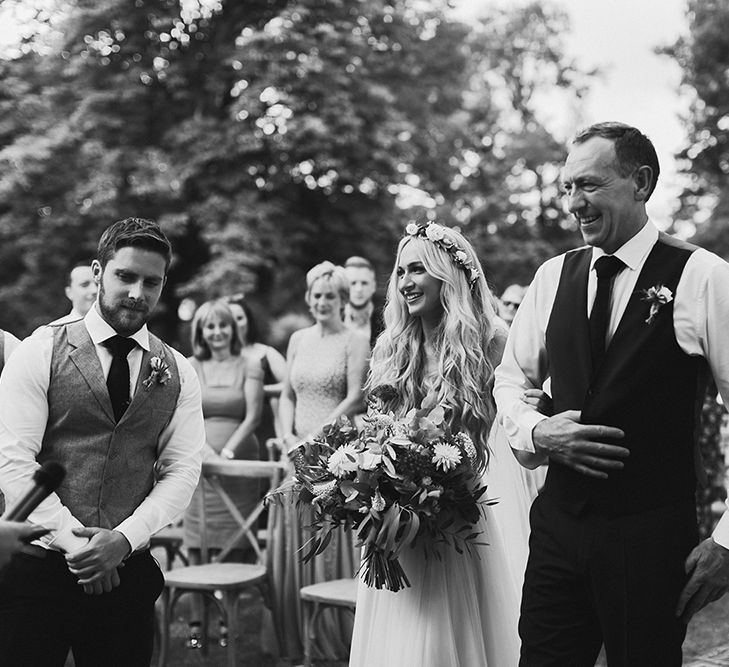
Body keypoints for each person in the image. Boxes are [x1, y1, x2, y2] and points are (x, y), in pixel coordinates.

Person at [494, 121, 729, 666]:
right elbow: (510, 380)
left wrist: (726, 542)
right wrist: (535, 429)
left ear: (641, 182)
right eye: (568, 187)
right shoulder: (552, 277)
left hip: (649, 537)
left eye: (590, 185)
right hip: (558, 529)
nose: (574, 202)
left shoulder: (702, 277)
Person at [0, 217, 205, 667]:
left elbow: (182, 470)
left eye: (151, 282)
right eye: (125, 276)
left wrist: (122, 541)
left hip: (125, 574)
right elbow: (14, 462)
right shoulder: (40, 350)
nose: (137, 292)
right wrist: (79, 547)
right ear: (97, 272)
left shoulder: (178, 370)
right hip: (37, 570)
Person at [349, 221, 533, 666]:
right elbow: (380, 433)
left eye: (417, 271)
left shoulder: (490, 343)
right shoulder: (391, 347)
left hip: (458, 514)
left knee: (443, 641)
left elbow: (516, 412)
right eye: (400, 272)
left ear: (446, 277)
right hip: (398, 520)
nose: (405, 282)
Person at [267, 261, 369, 661]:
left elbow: (355, 396)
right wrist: (288, 438)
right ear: (308, 298)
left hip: (335, 454)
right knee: (292, 539)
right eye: (317, 295)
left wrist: (314, 438)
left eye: (331, 295)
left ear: (343, 300)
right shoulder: (297, 339)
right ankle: (296, 636)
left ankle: (334, 637)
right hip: (293, 453)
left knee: (329, 537)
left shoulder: (355, 340)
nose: (323, 302)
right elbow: (288, 394)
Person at [182, 298, 264, 649]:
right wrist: (205, 451)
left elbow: (254, 416)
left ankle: (230, 628)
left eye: (223, 325)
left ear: (234, 328)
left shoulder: (250, 364)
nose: (217, 333)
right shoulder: (189, 365)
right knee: (198, 546)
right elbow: (185, 414)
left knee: (235, 545)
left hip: (239, 466)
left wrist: (227, 453)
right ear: (201, 332)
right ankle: (197, 629)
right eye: (209, 327)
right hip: (200, 465)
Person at [226, 295, 287, 447]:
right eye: (229, 319)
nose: (235, 324)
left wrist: (260, 390)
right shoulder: (218, 360)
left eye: (239, 318)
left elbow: (290, 386)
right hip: (230, 431)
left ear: (248, 321)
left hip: (265, 430)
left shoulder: (267, 353)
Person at [344, 255, 382, 348]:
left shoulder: (388, 322)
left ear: (373, 286)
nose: (359, 289)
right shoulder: (332, 320)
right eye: (353, 283)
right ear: (344, 286)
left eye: (364, 283)